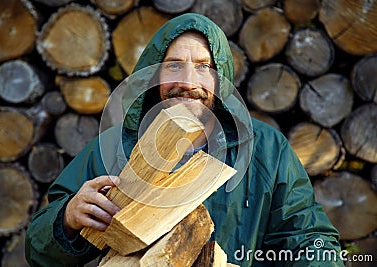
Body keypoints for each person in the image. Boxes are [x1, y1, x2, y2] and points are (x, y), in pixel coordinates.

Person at [25, 13, 344, 266]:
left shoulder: (266, 149)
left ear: (220, 80)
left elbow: (308, 237)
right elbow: (38, 251)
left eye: (203, 67)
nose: (188, 82)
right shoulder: (111, 148)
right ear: (153, 76)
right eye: (174, 65)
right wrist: (66, 220)